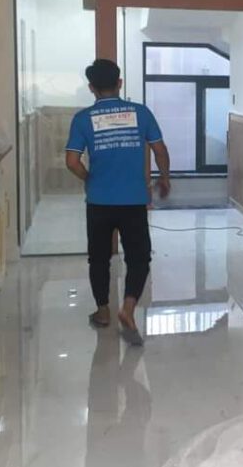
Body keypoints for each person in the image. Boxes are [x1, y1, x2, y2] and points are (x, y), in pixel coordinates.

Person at [64, 59, 171, 343]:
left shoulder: (83, 119)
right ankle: (128, 308)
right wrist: (164, 178)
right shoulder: (141, 113)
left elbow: (72, 161)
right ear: (119, 83)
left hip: (99, 201)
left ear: (91, 87)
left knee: (99, 258)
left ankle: (103, 312)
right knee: (139, 256)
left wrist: (89, 178)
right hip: (133, 200)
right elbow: (160, 150)